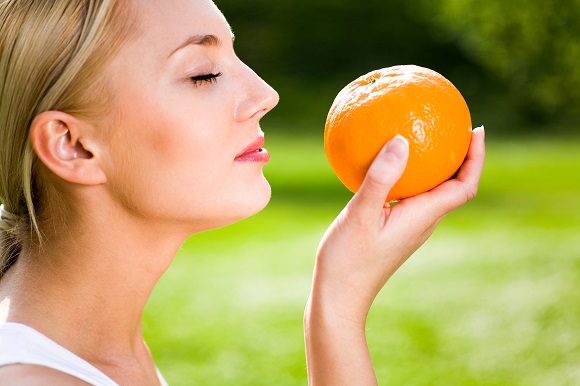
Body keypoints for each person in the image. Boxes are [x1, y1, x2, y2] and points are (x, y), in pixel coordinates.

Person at [0, 0, 486, 385]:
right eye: (203, 74)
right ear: (73, 146)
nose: (265, 94)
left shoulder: (95, 354)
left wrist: (338, 297)